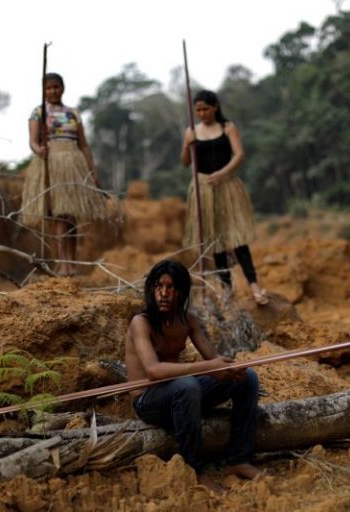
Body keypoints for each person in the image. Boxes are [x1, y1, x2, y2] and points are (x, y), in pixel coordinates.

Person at [125, 259, 261, 491]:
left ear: (181, 292)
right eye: (158, 287)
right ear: (151, 290)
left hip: (180, 394)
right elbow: (153, 371)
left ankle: (239, 459)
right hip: (148, 401)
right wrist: (207, 368)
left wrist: (230, 370)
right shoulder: (141, 322)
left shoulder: (187, 320)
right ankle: (194, 469)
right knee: (187, 385)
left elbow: (213, 358)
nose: (163, 293)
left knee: (248, 378)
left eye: (170, 287)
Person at [180, 90, 268, 306]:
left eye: (205, 109)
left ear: (215, 107)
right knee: (216, 241)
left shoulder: (227, 127)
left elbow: (239, 154)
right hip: (203, 188)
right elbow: (185, 162)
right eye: (198, 110)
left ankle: (254, 285)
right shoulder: (191, 131)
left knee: (237, 238)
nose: (202, 113)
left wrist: (223, 173)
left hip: (227, 186)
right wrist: (187, 144)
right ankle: (227, 289)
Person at [21, 73, 106, 276]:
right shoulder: (38, 112)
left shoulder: (73, 113)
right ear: (43, 90)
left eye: (56, 87)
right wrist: (38, 149)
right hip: (51, 164)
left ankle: (71, 262)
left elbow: (83, 145)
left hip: (72, 165)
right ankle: (62, 263)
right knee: (59, 215)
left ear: (63, 88)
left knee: (70, 216)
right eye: (48, 88)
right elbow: (33, 141)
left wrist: (91, 172)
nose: (53, 91)